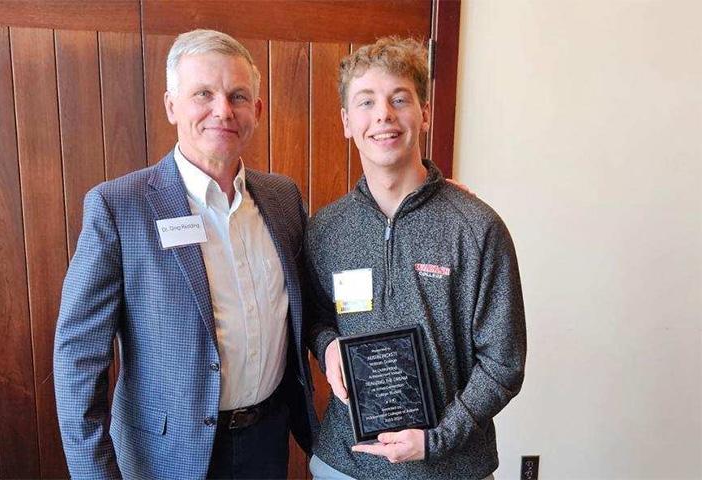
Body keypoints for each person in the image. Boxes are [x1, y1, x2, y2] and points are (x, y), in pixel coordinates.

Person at [54, 29, 317, 479]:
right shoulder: (119, 207)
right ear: (172, 105)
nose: (222, 110)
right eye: (203, 94)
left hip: (267, 441)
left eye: (237, 96)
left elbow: (314, 301)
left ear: (256, 110)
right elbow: (79, 358)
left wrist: (423, 199)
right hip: (166, 455)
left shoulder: (283, 198)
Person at [304, 37, 526, 480]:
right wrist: (327, 345)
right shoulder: (325, 229)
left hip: (452, 467)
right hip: (345, 464)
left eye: (399, 98)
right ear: (347, 122)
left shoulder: (477, 227)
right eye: (366, 102)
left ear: (424, 112)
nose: (383, 114)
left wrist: (437, 439)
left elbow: (504, 361)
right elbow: (313, 315)